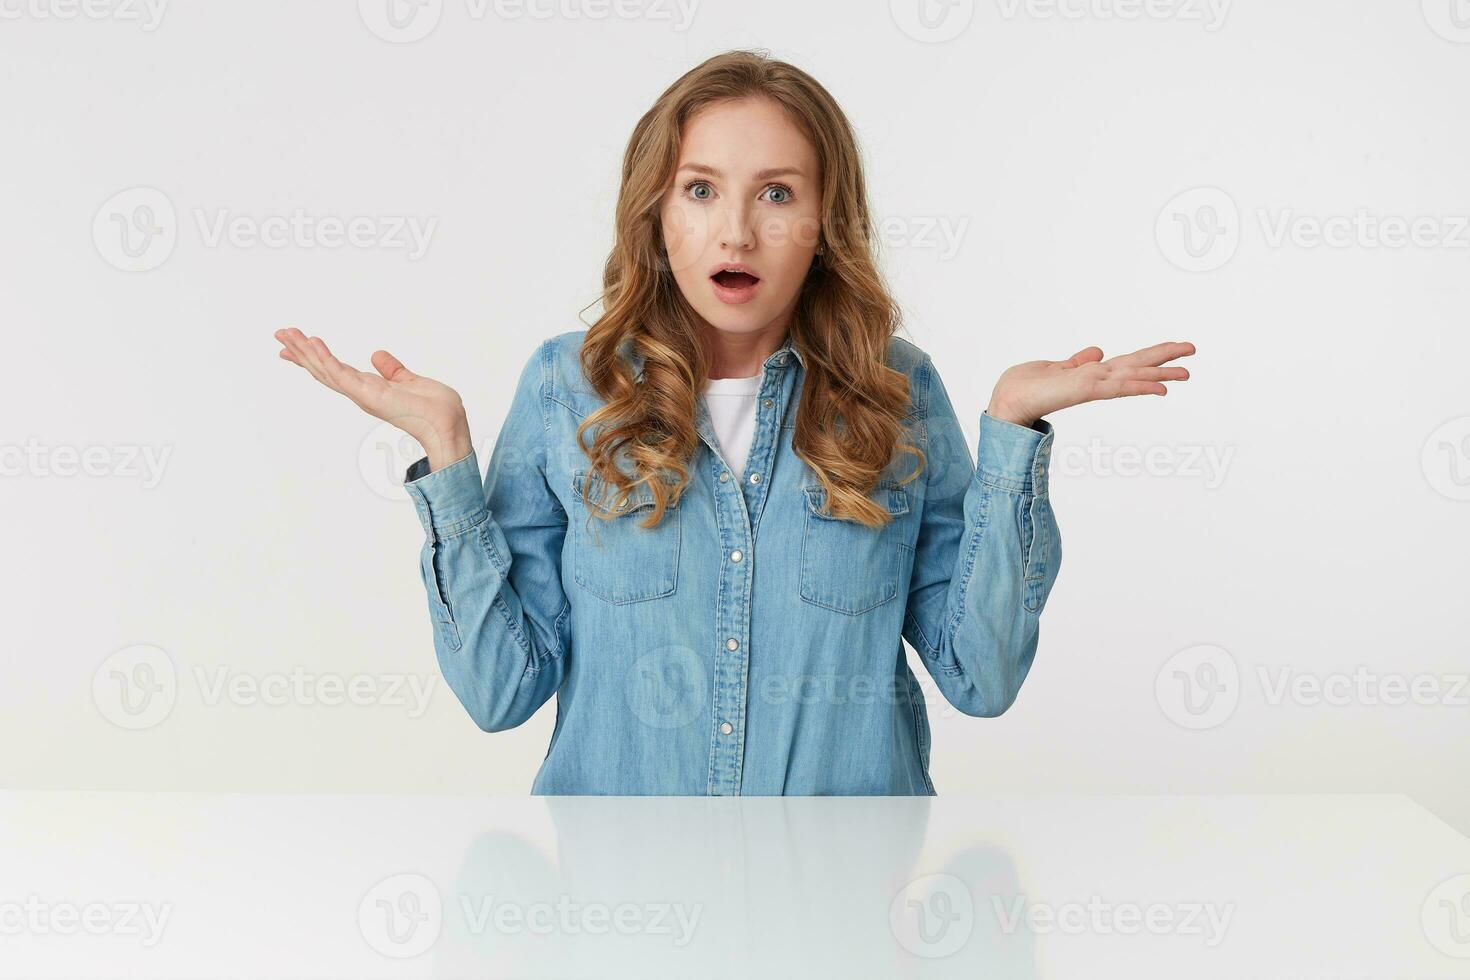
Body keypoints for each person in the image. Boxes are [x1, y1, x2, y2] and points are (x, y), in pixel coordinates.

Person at [273, 49, 1194, 795]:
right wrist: (446, 462)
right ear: (656, 213)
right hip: (617, 914)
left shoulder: (898, 391)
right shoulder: (569, 385)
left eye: (778, 193)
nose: (738, 233)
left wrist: (1010, 439)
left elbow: (980, 679)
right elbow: (499, 692)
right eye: (701, 189)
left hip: (843, 912)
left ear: (826, 222)